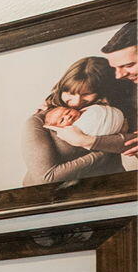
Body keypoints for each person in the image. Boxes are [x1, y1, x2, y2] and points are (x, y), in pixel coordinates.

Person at [32, 21, 138, 177]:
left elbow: (131, 143)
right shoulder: (44, 115)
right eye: (69, 92)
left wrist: (86, 141)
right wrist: (107, 146)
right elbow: (47, 177)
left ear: (103, 92)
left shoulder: (116, 108)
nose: (75, 102)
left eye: (128, 65)